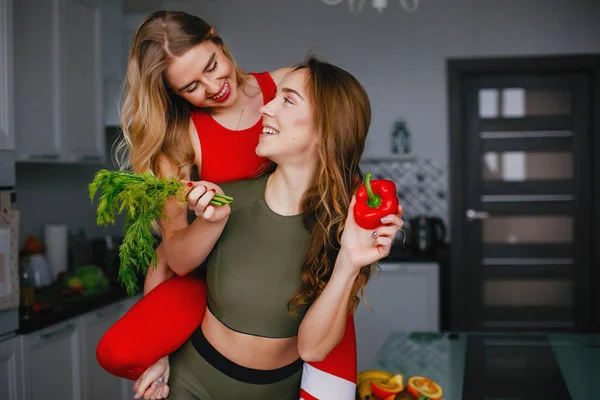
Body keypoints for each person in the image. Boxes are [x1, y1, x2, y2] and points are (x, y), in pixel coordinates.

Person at [95, 10, 373, 400]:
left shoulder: (284, 86)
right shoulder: (178, 141)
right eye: (191, 86)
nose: (213, 86)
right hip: (221, 271)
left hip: (303, 271)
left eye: (212, 65)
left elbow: (339, 145)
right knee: (121, 349)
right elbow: (176, 257)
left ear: (217, 40)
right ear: (174, 95)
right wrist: (162, 347)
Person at [134, 55, 404, 400]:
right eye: (275, 96)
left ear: (326, 128)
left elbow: (313, 349)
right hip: (190, 384)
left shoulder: (347, 227)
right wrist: (154, 353)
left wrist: (350, 262)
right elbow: (169, 263)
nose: (265, 108)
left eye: (287, 100)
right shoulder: (225, 202)